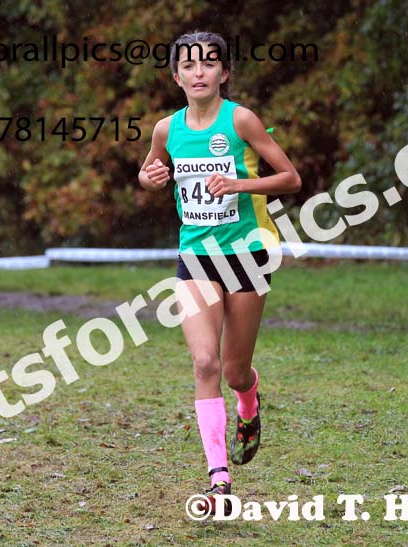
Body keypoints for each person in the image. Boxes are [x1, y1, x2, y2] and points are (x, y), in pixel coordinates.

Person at [138, 31, 301, 514]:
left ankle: (249, 402)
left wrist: (240, 183)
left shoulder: (242, 120)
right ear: (176, 77)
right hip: (196, 255)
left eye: (209, 63)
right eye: (189, 65)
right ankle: (219, 477)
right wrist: (149, 177)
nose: (199, 72)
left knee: (232, 370)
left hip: (250, 252)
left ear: (224, 73)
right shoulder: (166, 130)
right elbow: (149, 172)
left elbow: (291, 178)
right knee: (204, 362)